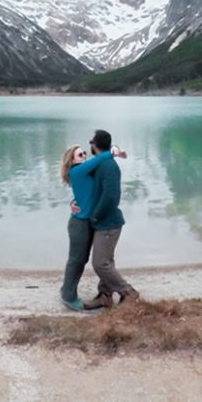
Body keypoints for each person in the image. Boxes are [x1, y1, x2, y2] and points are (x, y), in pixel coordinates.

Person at [59, 142, 126, 311]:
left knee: (88, 259)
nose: (85, 157)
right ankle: (68, 296)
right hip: (79, 224)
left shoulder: (87, 172)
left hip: (89, 222)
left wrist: (74, 202)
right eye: (80, 155)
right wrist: (113, 152)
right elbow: (100, 158)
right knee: (77, 260)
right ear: (72, 160)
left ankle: (101, 294)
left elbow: (91, 193)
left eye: (85, 154)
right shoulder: (77, 171)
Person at [83, 129, 139, 309]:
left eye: (91, 142)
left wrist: (96, 216)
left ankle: (128, 292)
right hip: (104, 222)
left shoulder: (108, 166)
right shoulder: (103, 162)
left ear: (95, 145)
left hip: (108, 223)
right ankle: (105, 295)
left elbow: (111, 196)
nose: (89, 145)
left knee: (100, 264)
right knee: (107, 261)